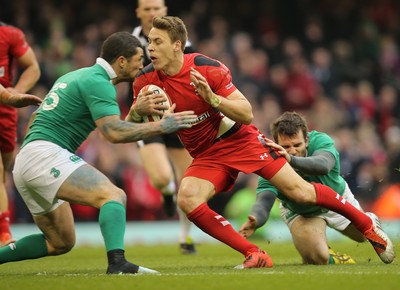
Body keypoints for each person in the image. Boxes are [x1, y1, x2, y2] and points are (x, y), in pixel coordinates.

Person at [131, 16, 395, 268]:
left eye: (157, 42)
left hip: (238, 139)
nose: (150, 48)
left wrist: (212, 99)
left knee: (300, 191)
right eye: (150, 42)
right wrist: (137, 112)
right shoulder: (144, 81)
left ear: (177, 45)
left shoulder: (205, 67)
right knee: (187, 198)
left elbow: (246, 113)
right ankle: (255, 253)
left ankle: (367, 226)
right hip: (206, 154)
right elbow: (135, 127)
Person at [0, 31, 197, 275]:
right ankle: (118, 264)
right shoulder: (99, 83)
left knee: (60, 241)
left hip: (28, 160)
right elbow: (113, 133)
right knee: (112, 195)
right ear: (121, 61)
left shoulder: (76, 75)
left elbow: (108, 127)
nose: (141, 65)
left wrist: (135, 113)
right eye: (138, 59)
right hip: (45, 156)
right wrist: (162, 126)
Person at [239, 111, 370, 265]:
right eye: (286, 146)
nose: (292, 150)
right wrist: (257, 218)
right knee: (317, 257)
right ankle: (334, 258)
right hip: (300, 212)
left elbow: (323, 165)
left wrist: (291, 160)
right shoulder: (270, 164)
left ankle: (371, 220)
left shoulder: (320, 140)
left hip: (337, 199)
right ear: (276, 143)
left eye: (297, 145)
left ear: (307, 140)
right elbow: (265, 199)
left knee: (363, 237)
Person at [132, 0, 196, 254]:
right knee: (161, 177)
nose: (152, 13)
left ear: (165, 12)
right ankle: (166, 192)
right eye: (146, 9)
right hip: (148, 118)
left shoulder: (183, 43)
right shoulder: (130, 42)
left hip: (177, 116)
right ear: (138, 13)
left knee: (190, 181)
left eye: (156, 8)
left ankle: (185, 238)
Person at [0, 21, 41, 246]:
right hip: (6, 99)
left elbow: (33, 67)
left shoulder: (10, 35)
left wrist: (17, 92)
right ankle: (4, 231)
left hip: (5, 109)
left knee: (4, 170)